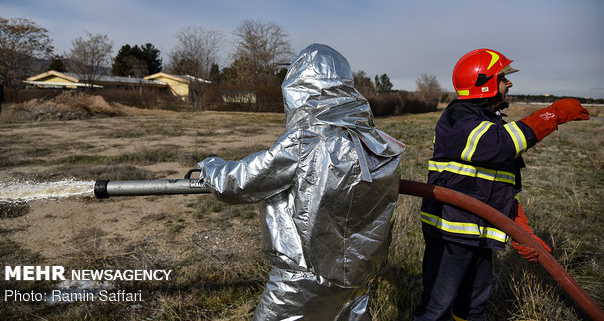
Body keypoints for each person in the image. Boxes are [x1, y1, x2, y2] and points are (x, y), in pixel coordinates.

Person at [198, 44, 405, 320]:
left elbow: (239, 183)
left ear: (299, 90)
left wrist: (210, 165)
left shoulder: (304, 142)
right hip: (356, 275)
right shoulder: (375, 144)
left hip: (301, 278)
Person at [413, 48, 590, 321]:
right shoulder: (459, 118)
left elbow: (495, 182)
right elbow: (497, 145)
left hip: (479, 230)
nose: (509, 83)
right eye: (503, 77)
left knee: (474, 306)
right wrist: (549, 116)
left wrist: (517, 223)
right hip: (451, 232)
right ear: (483, 82)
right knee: (436, 308)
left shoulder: (487, 120)